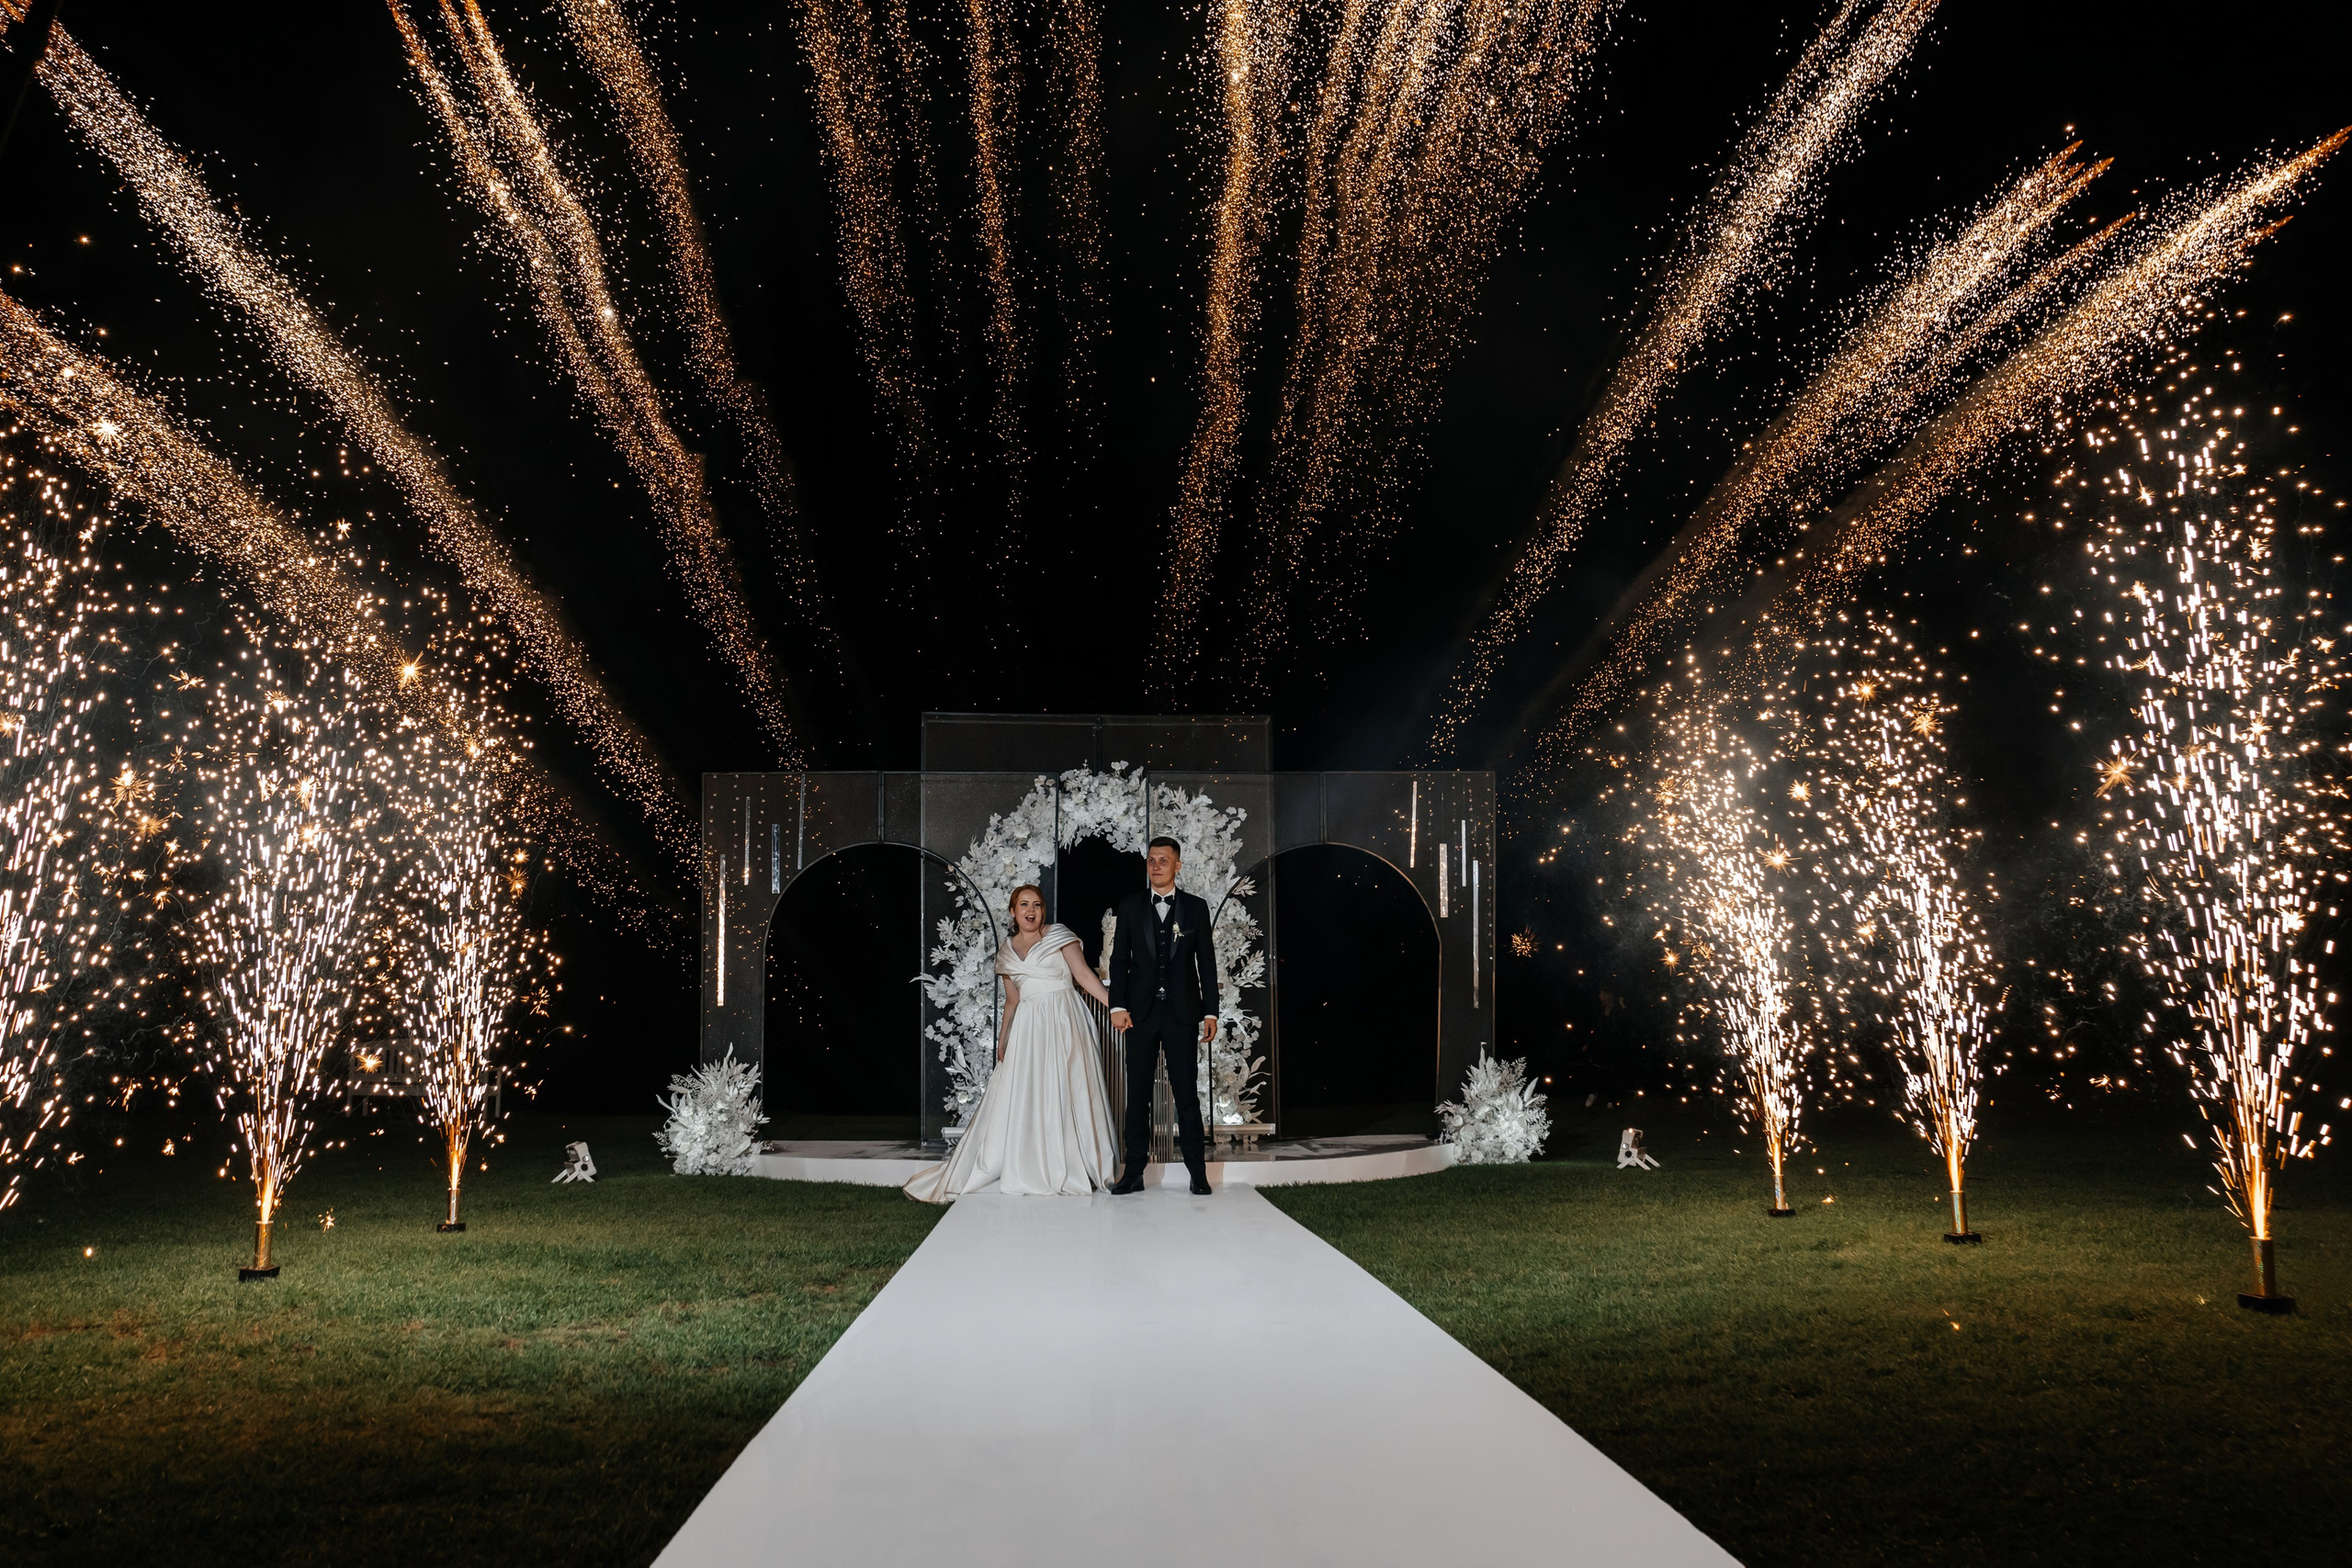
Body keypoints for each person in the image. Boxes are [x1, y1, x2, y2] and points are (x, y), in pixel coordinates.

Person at [903, 885, 1121, 1202]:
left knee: (1068, 1087)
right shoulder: (1006, 952)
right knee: (1031, 1091)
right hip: (1029, 1028)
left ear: (1043, 910)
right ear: (1013, 911)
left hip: (1065, 1019)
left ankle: (1076, 1162)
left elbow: (1086, 977)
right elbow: (1012, 1001)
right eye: (1024, 905)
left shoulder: (1059, 935)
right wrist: (1003, 1040)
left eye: (1036, 905)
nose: (1030, 910)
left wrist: (1114, 1007)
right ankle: (1033, 1161)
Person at [1106, 836, 1219, 1196]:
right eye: (1152, 860)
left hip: (1182, 1015)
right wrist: (1118, 1006)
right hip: (1138, 1016)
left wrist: (1211, 1011)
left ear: (1177, 866)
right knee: (1137, 1096)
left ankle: (1197, 1174)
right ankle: (1133, 1174)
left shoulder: (1196, 908)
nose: (1156, 865)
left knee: (1187, 1096)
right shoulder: (1129, 905)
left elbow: (1207, 964)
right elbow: (1119, 960)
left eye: (1164, 860)